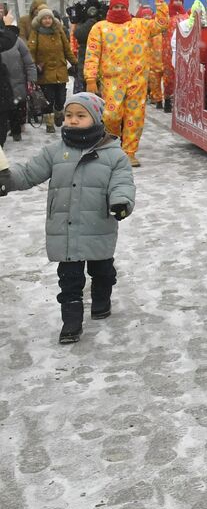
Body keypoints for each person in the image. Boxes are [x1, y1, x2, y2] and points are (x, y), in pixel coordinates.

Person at [3, 92, 135, 344]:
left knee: (103, 271)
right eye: (69, 115)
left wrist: (121, 203)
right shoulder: (55, 151)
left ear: (95, 118)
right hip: (65, 228)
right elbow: (29, 173)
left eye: (80, 116)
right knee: (70, 280)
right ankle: (71, 323)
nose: (72, 121)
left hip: (98, 225)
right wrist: (6, 180)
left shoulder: (113, 155)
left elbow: (122, 183)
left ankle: (101, 300)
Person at [83, 0, 157, 167]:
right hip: (112, 80)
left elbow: (162, 25)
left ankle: (129, 152)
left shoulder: (140, 25)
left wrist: (160, 3)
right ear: (110, 8)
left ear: (127, 8)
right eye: (116, 7)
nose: (119, 10)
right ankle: (114, 142)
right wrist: (90, 78)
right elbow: (92, 53)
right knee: (111, 115)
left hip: (137, 80)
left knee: (135, 116)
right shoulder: (100, 27)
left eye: (123, 7)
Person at [26, 7, 76, 134]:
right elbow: (31, 50)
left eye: (49, 18)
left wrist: (75, 63)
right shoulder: (36, 32)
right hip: (45, 70)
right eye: (44, 18)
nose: (47, 20)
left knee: (61, 98)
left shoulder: (59, 31)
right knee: (49, 99)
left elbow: (67, 49)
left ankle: (59, 112)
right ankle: (49, 123)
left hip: (60, 69)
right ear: (40, 20)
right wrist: (33, 65)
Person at [0, 22, 37, 142]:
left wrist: (32, 79)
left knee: (15, 108)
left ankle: (16, 131)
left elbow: (28, 61)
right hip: (5, 84)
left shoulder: (16, 40)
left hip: (16, 81)